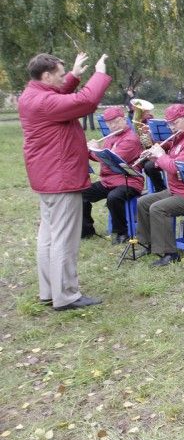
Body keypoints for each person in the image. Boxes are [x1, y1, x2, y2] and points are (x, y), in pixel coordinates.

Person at [19, 52, 110, 311]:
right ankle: (67, 296)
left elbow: (57, 96)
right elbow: (86, 101)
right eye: (60, 75)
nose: (63, 79)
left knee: (48, 237)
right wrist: (99, 74)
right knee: (65, 240)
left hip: (47, 177)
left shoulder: (32, 94)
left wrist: (74, 75)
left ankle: (49, 291)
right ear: (46, 76)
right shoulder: (45, 102)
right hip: (61, 178)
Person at [135, 103, 184, 266]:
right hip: (178, 190)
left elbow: (175, 167)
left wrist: (161, 155)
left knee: (158, 208)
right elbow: (171, 161)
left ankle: (170, 253)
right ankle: (149, 243)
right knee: (143, 202)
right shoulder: (179, 138)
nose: (171, 127)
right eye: (169, 123)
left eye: (174, 123)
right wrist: (155, 158)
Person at [83, 106, 144, 244]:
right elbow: (102, 156)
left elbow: (112, 159)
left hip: (129, 181)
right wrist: (87, 150)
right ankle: (86, 230)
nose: (113, 126)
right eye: (109, 123)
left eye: (116, 122)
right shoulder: (111, 137)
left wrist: (94, 149)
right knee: (82, 194)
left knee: (114, 197)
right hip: (108, 181)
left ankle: (122, 232)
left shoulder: (131, 139)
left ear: (124, 119)